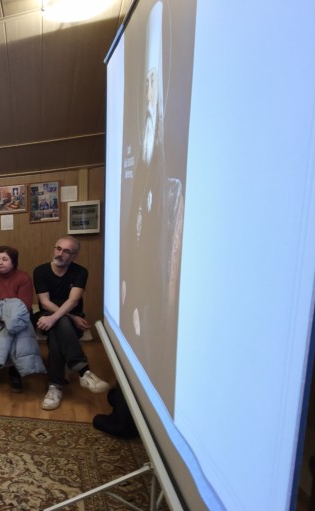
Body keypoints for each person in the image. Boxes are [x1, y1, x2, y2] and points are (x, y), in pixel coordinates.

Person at [120, 0, 185, 392]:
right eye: (144, 83)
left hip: (156, 275)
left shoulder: (169, 156)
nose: (148, 90)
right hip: (135, 275)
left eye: (153, 82)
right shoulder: (137, 151)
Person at [33, 237, 111, 411]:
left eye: (66, 251)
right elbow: (45, 302)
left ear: (74, 256)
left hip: (65, 318)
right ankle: (83, 371)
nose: (60, 253)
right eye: (58, 248)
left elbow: (73, 300)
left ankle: (55, 387)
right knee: (61, 321)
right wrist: (69, 318)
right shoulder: (40, 271)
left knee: (57, 333)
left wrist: (61, 318)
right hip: (46, 316)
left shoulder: (80, 272)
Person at [0, 246, 44, 392]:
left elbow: (24, 306)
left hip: (18, 319)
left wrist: (1, 320)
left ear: (13, 262)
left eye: (5, 259)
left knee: (18, 339)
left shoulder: (23, 278)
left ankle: (15, 374)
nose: (0, 262)